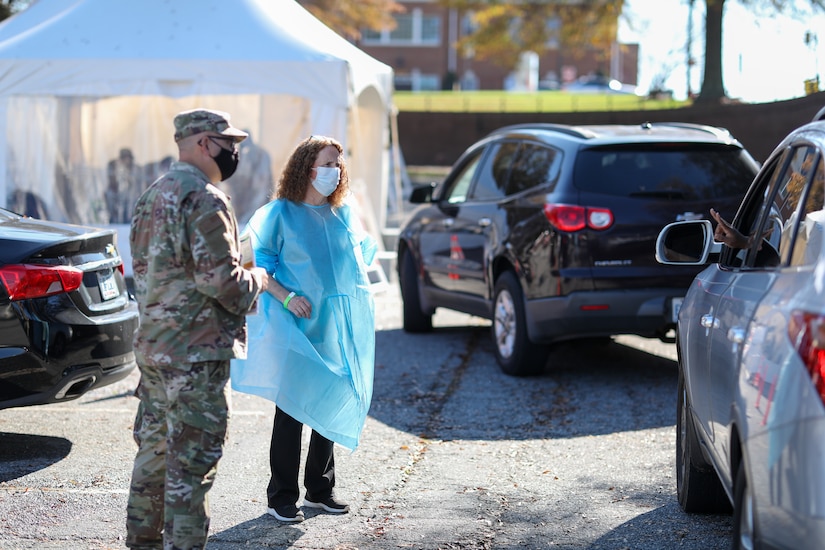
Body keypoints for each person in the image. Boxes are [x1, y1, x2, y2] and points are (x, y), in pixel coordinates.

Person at [126, 108, 271, 550]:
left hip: (154, 350)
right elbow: (221, 281)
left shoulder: (151, 195)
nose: (235, 153)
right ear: (205, 143)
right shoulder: (205, 198)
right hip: (196, 356)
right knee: (191, 468)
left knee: (153, 458)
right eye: (230, 145)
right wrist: (259, 280)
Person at [230, 135, 377, 523]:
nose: (335, 171)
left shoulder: (343, 214)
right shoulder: (279, 214)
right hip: (295, 325)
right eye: (328, 163)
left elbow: (361, 259)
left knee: (330, 400)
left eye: (339, 165)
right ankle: (281, 495)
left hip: (335, 326)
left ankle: (320, 489)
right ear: (306, 168)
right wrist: (286, 296)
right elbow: (257, 267)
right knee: (292, 409)